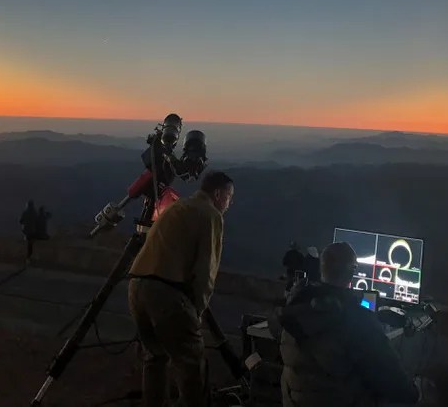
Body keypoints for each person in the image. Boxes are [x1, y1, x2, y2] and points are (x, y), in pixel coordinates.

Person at [128, 170, 235, 407]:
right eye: (228, 197)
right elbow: (206, 271)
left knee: (155, 358)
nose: (229, 203)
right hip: (166, 293)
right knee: (191, 363)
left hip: (137, 285)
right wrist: (196, 310)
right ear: (218, 194)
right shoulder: (211, 215)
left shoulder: (177, 207)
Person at [269, 241, 420, 407]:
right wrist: (416, 392)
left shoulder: (292, 311)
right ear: (352, 272)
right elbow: (394, 381)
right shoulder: (358, 321)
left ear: (322, 269)